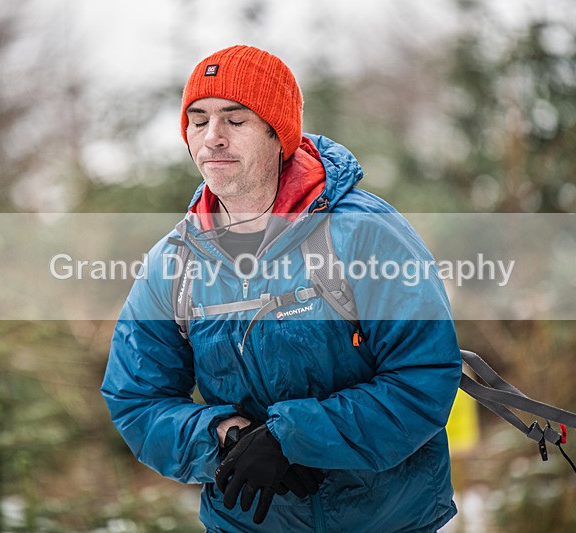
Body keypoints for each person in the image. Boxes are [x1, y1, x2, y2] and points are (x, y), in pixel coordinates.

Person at [101, 45, 462, 532]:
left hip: (386, 520)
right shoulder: (174, 263)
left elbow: (424, 377)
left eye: (236, 120)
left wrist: (292, 438)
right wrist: (224, 436)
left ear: (279, 134)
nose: (213, 138)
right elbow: (135, 398)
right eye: (198, 120)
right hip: (248, 522)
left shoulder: (364, 235)